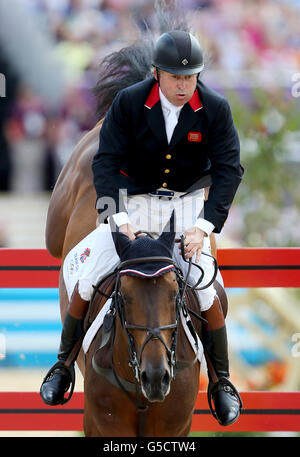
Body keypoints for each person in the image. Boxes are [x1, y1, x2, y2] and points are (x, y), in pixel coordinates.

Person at [40, 30, 243, 426]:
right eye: (175, 77)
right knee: (86, 278)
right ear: (156, 74)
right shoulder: (129, 102)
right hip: (130, 206)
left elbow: (229, 170)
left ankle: (221, 382)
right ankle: (63, 365)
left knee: (205, 289)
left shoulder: (215, 109)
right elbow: (105, 163)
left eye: (190, 77)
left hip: (185, 210)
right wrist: (118, 219)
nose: (184, 85)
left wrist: (204, 226)